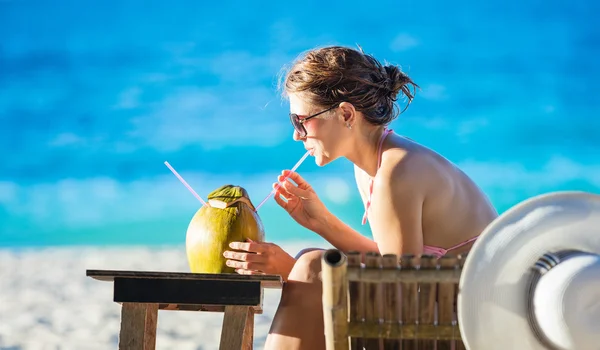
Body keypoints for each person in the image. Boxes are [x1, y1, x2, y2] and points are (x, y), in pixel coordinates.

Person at [222, 45, 499, 350]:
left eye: (301, 121)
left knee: (313, 265)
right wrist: (321, 222)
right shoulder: (374, 165)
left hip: (470, 328)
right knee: (312, 263)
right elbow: (395, 264)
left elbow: (401, 291)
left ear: (345, 114)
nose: (296, 135)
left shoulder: (397, 171)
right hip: (443, 311)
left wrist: (292, 270)